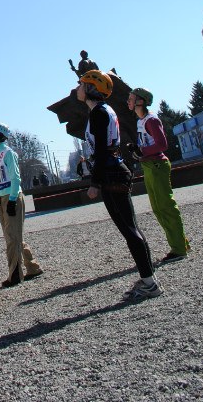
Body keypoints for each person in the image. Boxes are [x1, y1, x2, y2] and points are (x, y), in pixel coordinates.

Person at [76, 70, 161, 302]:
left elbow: (102, 149)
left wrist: (95, 182)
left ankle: (149, 282)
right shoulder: (103, 111)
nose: (77, 88)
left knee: (130, 230)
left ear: (91, 88)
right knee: (131, 228)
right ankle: (147, 278)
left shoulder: (99, 114)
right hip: (114, 171)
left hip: (111, 174)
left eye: (81, 84)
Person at [127, 87, 190, 262]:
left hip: (157, 165)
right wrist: (138, 150)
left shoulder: (151, 120)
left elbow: (162, 144)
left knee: (166, 207)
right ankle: (180, 243)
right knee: (158, 209)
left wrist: (142, 150)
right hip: (149, 164)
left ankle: (179, 249)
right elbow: (148, 144)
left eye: (131, 99)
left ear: (141, 101)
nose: (128, 101)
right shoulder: (141, 120)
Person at [0, 124, 43, 288]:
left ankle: (15, 275)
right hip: (0, 197)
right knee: (13, 236)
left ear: (0, 135)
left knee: (12, 238)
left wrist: (12, 199)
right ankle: (33, 267)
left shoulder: (8, 153)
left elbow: (15, 178)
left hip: (11, 197)